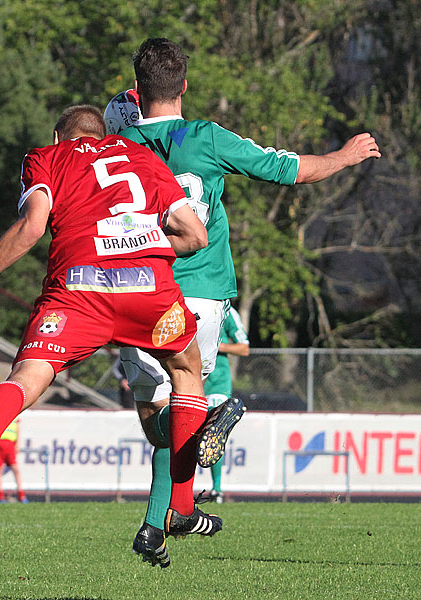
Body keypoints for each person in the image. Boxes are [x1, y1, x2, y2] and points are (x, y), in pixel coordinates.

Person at [112, 37, 381, 566]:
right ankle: (161, 520)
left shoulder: (117, 146)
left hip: (141, 289)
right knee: (180, 408)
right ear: (184, 86)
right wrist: (346, 156)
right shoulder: (207, 138)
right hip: (203, 292)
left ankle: (160, 517)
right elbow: (288, 169)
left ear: (137, 90)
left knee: (155, 419)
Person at [0, 105, 220, 568]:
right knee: (186, 372)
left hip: (78, 287)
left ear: (57, 134)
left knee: (27, 376)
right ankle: (181, 506)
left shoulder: (45, 157)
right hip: (147, 288)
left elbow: (32, 226)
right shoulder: (142, 157)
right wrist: (144, 245)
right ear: (106, 133)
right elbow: (195, 235)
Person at [203, 304, 250, 503]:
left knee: (214, 431)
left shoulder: (228, 312)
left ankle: (217, 489)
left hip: (217, 383)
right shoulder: (188, 303)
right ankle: (182, 490)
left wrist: (218, 346)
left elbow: (244, 347)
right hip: (192, 379)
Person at [0, 417, 28, 503]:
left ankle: (21, 495)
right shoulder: (0, 413)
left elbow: (18, 428)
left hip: (10, 444)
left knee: (15, 469)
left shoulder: (15, 414)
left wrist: (17, 443)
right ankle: (1, 496)